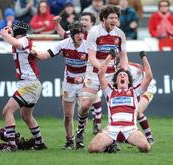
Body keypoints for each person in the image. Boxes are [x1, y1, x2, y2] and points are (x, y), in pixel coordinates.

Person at [74, 5, 128, 150]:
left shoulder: (120, 34)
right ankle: (80, 131)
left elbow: (124, 56)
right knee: (84, 105)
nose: (114, 20)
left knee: (114, 108)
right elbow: (91, 57)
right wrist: (101, 69)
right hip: (94, 72)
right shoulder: (94, 32)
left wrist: (124, 72)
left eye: (116, 18)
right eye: (111, 18)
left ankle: (111, 139)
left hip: (111, 75)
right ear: (104, 18)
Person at [30, 21, 88, 150]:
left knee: (83, 110)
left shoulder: (88, 46)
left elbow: (93, 66)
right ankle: (69, 141)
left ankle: (80, 139)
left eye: (82, 33)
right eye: (77, 33)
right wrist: (35, 54)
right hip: (68, 83)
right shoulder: (63, 44)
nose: (80, 36)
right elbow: (46, 54)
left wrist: (83, 77)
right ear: (72, 35)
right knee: (68, 115)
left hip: (84, 83)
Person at [88, 51, 153, 153]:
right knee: (93, 149)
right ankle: (110, 145)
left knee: (145, 148)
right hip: (112, 129)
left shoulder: (135, 91)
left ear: (128, 80)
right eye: (119, 75)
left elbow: (149, 76)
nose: (122, 76)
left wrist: (143, 57)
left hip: (130, 129)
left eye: (124, 75)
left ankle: (129, 140)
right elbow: (100, 75)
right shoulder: (110, 91)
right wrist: (110, 56)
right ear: (116, 80)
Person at [0, 21, 47, 152]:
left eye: (13, 29)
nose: (11, 31)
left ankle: (12, 145)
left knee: (7, 111)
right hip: (29, 83)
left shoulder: (24, 40)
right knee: (26, 116)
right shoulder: (25, 40)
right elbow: (16, 42)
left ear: (18, 31)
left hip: (29, 84)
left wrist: (4, 35)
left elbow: (17, 43)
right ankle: (39, 143)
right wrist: (9, 32)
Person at [54, 12, 103, 135]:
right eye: (82, 19)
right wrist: (56, 23)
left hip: (88, 76)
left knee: (84, 107)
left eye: (86, 19)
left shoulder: (94, 38)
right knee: (70, 114)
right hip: (70, 79)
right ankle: (72, 137)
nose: (84, 22)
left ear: (92, 23)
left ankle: (94, 124)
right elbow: (63, 35)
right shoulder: (75, 35)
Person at [115, 52, 155, 145]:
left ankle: (149, 137)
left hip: (147, 89)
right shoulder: (116, 71)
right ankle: (126, 136)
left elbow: (146, 71)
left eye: (119, 61)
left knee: (137, 111)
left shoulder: (134, 68)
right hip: (135, 92)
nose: (118, 65)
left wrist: (143, 58)